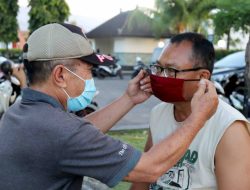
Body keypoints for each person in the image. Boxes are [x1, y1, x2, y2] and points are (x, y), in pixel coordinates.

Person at [0, 24, 218, 190]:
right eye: (88, 70)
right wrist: (197, 117)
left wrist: (128, 99)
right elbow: (149, 168)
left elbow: (76, 131)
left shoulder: (16, 114)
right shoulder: (63, 132)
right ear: (60, 75)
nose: (90, 77)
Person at [131, 33, 250, 190]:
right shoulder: (158, 113)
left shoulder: (229, 129)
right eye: (158, 68)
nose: (160, 76)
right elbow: (143, 177)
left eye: (171, 70)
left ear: (202, 76)